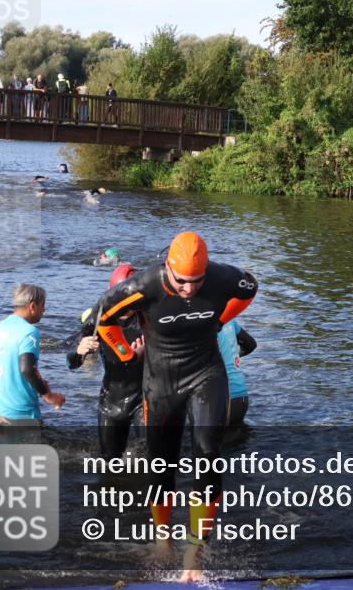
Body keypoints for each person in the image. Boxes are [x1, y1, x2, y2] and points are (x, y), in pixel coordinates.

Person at [88, 231, 257, 582]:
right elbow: (104, 318)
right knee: (161, 462)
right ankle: (163, 537)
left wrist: (222, 319)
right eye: (181, 282)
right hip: (160, 381)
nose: (189, 289)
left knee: (208, 453)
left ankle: (195, 549)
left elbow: (249, 289)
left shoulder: (223, 277)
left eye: (197, 282)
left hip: (207, 373)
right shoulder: (145, 284)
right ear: (168, 268)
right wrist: (122, 354)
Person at [68, 264, 145, 459]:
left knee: (152, 459)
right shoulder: (98, 319)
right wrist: (79, 350)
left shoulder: (149, 317)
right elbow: (72, 363)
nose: (125, 304)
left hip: (145, 399)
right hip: (112, 400)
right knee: (109, 462)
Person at [0, 284, 65, 426]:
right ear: (33, 306)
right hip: (21, 415)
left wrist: (36, 383)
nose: (44, 310)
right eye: (43, 305)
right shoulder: (29, 332)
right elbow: (27, 369)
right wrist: (50, 396)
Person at [217, 319, 256, 425]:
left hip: (218, 401)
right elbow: (250, 345)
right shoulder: (229, 319)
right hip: (241, 397)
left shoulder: (198, 323)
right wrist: (233, 356)